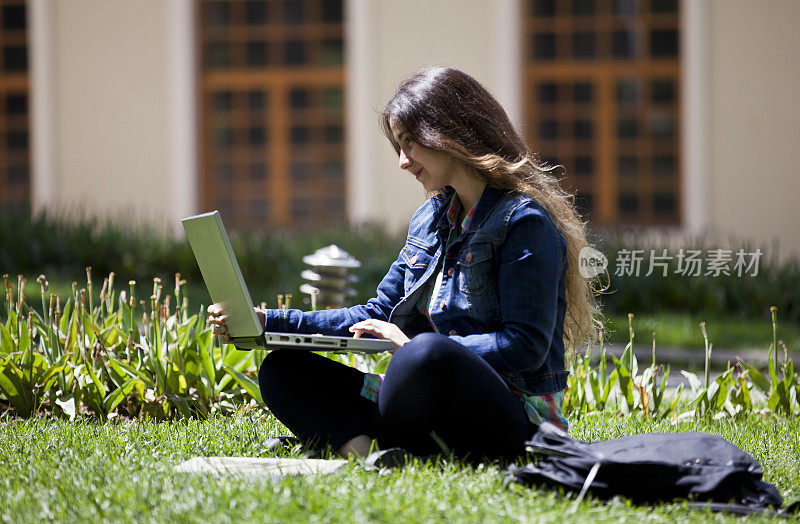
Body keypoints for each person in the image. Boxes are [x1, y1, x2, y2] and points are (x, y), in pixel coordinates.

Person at [208, 67, 596, 462]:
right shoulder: (430, 220)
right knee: (282, 369)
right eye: (398, 146)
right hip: (424, 401)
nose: (402, 161)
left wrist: (410, 347)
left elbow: (524, 347)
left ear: (450, 133)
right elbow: (376, 314)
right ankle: (369, 455)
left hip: (512, 419)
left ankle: (349, 437)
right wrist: (267, 322)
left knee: (426, 354)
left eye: (410, 143)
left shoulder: (523, 222)